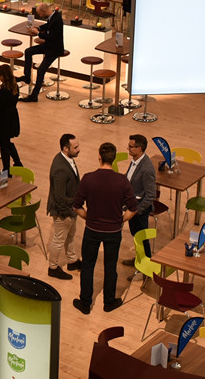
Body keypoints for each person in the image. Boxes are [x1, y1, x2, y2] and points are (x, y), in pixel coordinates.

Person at [71, 142, 137, 315]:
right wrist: (121, 220)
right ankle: (109, 302)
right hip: (113, 232)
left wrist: (88, 217)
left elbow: (76, 206)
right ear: (114, 159)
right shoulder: (122, 181)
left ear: (99, 157)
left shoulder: (88, 178)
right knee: (110, 266)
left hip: (92, 230)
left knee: (87, 266)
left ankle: (85, 303)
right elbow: (133, 208)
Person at [46, 134, 82, 280]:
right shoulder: (60, 168)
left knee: (71, 234)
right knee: (59, 239)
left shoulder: (67, 159)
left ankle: (72, 261)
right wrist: (67, 213)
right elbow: (59, 197)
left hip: (71, 208)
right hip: (63, 211)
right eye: (76, 147)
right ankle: (53, 267)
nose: (79, 149)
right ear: (66, 149)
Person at [122, 134, 156, 267]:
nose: (128, 148)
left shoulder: (147, 169)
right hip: (132, 207)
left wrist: (137, 210)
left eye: (131, 146)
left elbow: (150, 195)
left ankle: (146, 265)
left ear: (139, 148)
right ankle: (138, 259)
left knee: (142, 239)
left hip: (139, 211)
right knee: (136, 236)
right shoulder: (135, 161)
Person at [20, 2, 63, 100]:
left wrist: (38, 33)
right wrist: (39, 28)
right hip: (49, 46)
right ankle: (27, 77)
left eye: (40, 14)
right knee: (28, 51)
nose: (40, 16)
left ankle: (34, 96)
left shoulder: (56, 20)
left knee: (40, 71)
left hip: (54, 50)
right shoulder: (54, 16)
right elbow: (48, 25)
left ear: (44, 11)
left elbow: (51, 37)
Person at [0, 64, 23, 175]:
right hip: (12, 118)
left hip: (3, 121)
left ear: (3, 76)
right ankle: (18, 163)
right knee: (8, 143)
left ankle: (6, 170)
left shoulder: (3, 91)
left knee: (4, 146)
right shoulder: (15, 87)